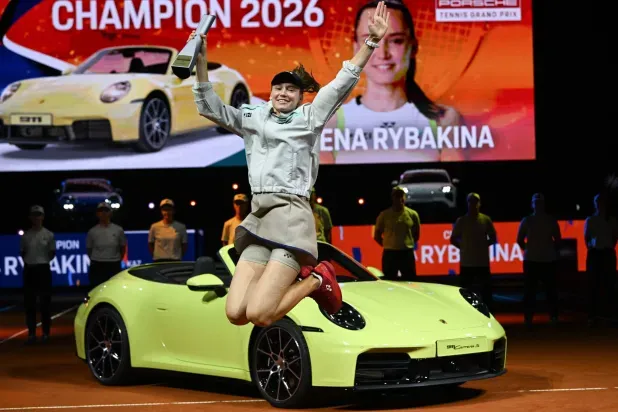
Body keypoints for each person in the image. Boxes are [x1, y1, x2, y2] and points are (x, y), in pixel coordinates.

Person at [190, 1, 392, 326]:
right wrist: (200, 62)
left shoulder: (309, 118)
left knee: (260, 314)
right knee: (235, 313)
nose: (283, 92)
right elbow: (210, 107)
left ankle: (317, 280)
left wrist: (370, 42)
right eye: (278, 87)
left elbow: (343, 81)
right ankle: (308, 280)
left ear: (301, 97)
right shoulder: (253, 118)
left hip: (291, 219)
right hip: (259, 218)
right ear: (270, 92)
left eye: (291, 89)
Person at [321, 0, 463, 165]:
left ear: (413, 47)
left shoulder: (444, 120)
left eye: (396, 41)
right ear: (356, 49)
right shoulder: (330, 123)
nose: (383, 54)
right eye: (371, 41)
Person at [516, 193, 561, 327]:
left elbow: (558, 239)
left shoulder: (550, 220)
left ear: (543, 204)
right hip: (532, 260)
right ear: (532, 204)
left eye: (540, 202)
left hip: (547, 260)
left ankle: (553, 316)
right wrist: (529, 251)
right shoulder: (527, 220)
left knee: (550, 291)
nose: (538, 205)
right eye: (536, 202)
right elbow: (519, 239)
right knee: (530, 291)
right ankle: (528, 318)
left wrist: (549, 251)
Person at [450, 193, 497, 310]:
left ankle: (488, 311)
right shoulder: (462, 221)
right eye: (471, 202)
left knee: (486, 292)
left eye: (475, 202)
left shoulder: (485, 220)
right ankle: (465, 311)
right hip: (467, 262)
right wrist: (464, 247)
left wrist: (483, 245)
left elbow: (493, 237)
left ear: (479, 204)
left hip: (482, 262)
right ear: (467, 203)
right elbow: (453, 239)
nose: (473, 204)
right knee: (465, 291)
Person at [20, 205, 55, 344]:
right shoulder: (26, 235)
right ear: (30, 217)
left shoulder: (49, 234)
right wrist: (31, 261)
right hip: (30, 269)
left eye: (39, 215)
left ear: (43, 217)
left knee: (45, 303)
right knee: (30, 303)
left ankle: (46, 332)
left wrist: (42, 261)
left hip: (43, 269)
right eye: (34, 215)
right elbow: (23, 252)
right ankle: (31, 333)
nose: (36, 217)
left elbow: (52, 253)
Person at [584, 193, 618, 326]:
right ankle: (593, 315)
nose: (600, 204)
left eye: (602, 202)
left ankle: (609, 314)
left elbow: (615, 237)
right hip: (595, 253)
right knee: (593, 284)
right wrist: (592, 248)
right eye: (598, 202)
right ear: (595, 204)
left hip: (607, 253)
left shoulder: (612, 220)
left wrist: (608, 248)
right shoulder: (590, 220)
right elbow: (586, 237)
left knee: (610, 284)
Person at [373, 186, 420, 280]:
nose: (399, 198)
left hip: (406, 253)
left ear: (404, 198)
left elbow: (416, 234)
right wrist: (388, 244)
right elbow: (377, 235)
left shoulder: (413, 214)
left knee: (410, 280)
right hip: (390, 254)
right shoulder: (384, 215)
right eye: (397, 196)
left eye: (401, 196)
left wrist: (406, 244)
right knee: (389, 280)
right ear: (393, 198)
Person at [86, 202, 127, 288]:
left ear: (110, 213)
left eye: (106, 210)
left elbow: (123, 247)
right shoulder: (92, 231)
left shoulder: (118, 230)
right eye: (101, 211)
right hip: (97, 265)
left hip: (114, 265)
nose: (103, 213)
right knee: (96, 289)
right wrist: (98, 259)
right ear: (97, 214)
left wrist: (116, 259)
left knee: (114, 289)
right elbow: (89, 249)